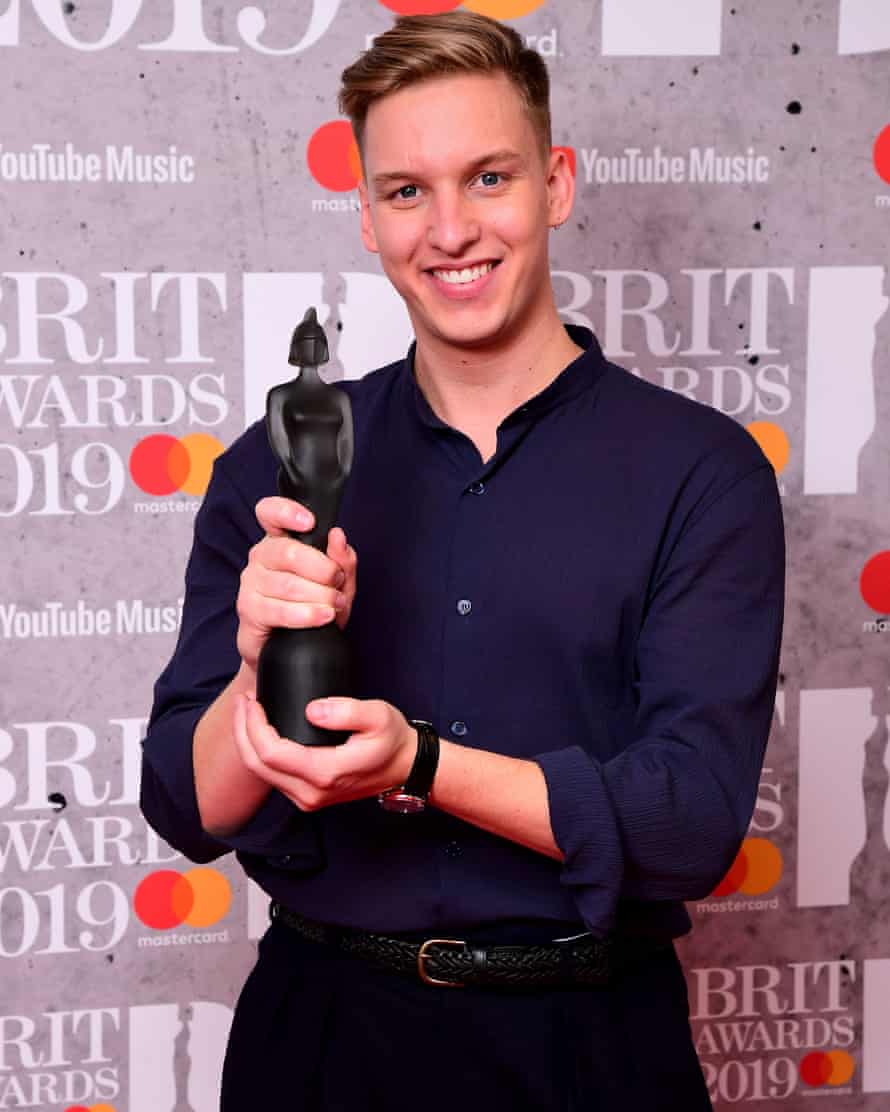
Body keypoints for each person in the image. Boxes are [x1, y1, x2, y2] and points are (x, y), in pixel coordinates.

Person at [139, 12, 785, 1111]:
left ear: (555, 183)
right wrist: (257, 674)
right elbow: (182, 802)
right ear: (367, 219)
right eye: (405, 191)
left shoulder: (701, 470)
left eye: (487, 177)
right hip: (320, 1038)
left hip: (587, 1050)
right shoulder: (280, 456)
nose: (449, 229)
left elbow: (688, 825)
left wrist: (416, 763)